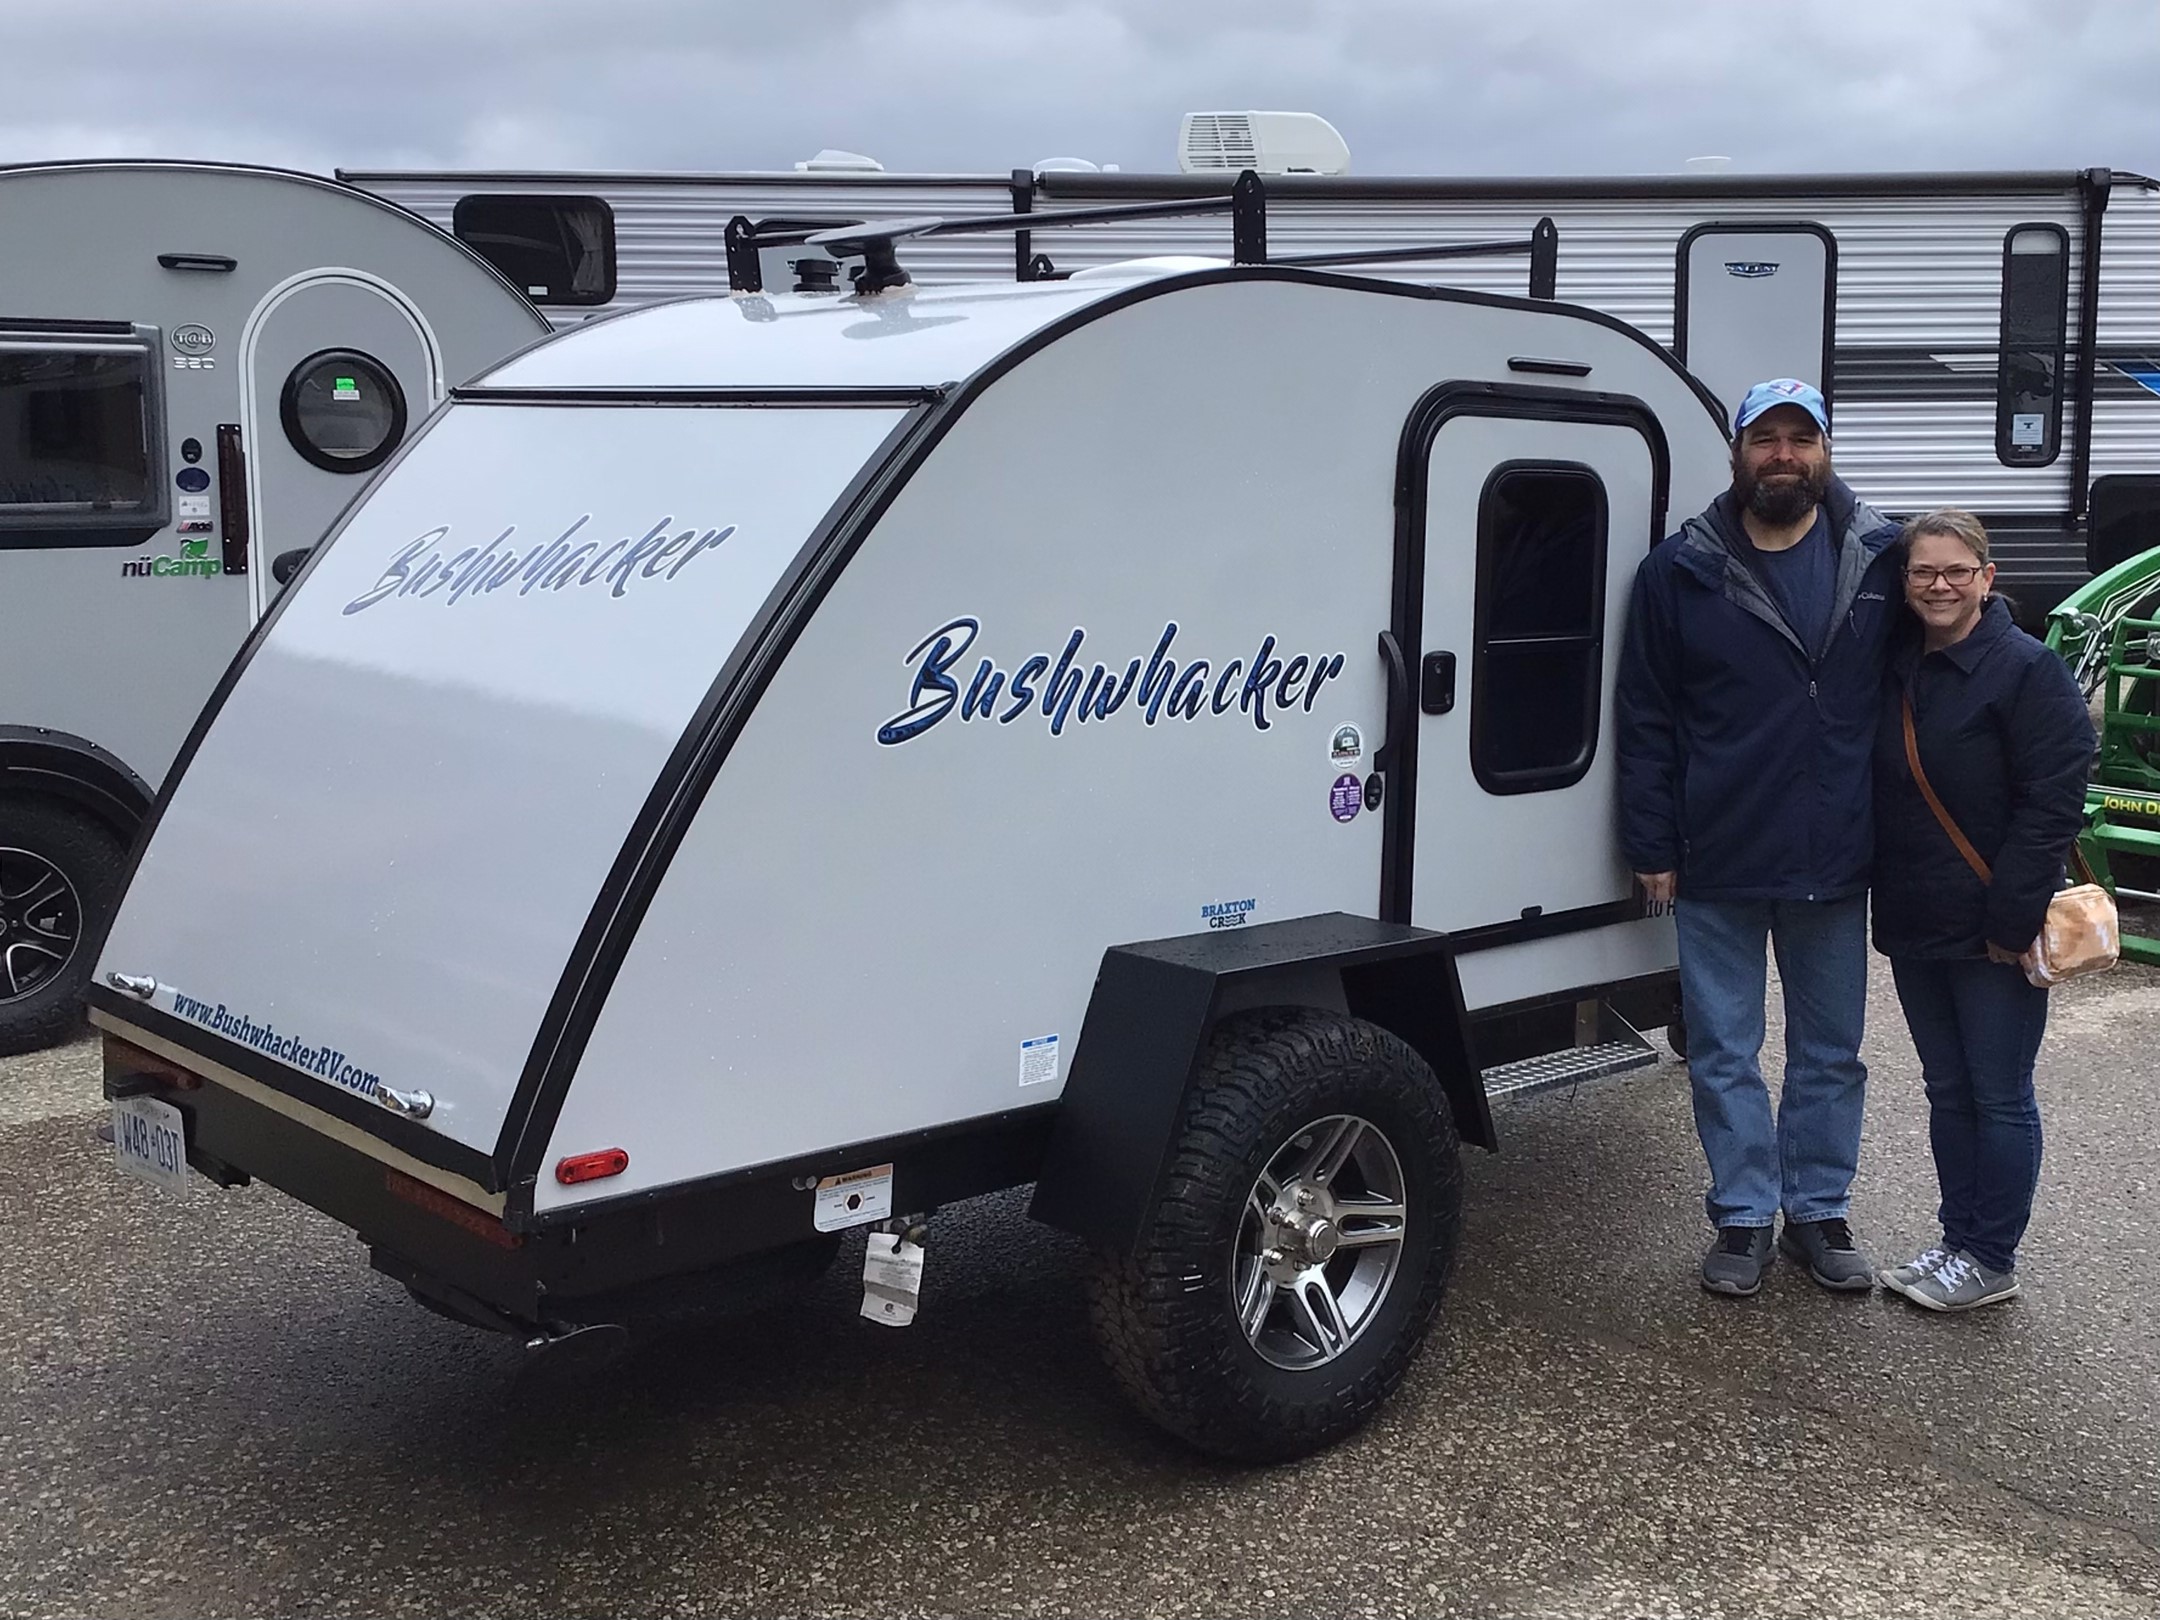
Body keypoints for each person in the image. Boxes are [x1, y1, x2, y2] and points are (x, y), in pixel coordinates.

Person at [1616, 378, 1903, 1297]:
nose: (1783, 455)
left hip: (1836, 851)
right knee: (1724, 1049)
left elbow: (1947, 664)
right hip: (1718, 853)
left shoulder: (1883, 561)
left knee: (1832, 1050)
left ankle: (1817, 1211)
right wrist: (1652, 843)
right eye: (1765, 438)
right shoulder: (1679, 571)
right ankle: (1743, 1217)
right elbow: (1647, 716)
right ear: (1737, 452)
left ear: (1825, 451)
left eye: (1800, 439)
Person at [1870, 509, 2091, 1311]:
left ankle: (1991, 1257)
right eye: (1924, 571)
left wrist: (2012, 918)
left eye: (1956, 571)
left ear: (1987, 578)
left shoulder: (2026, 670)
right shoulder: (1896, 664)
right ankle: (1956, 1239)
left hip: (1993, 927)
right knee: (1945, 1088)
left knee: (1998, 1093)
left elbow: (2053, 802)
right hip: (1916, 917)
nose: (1939, 585)